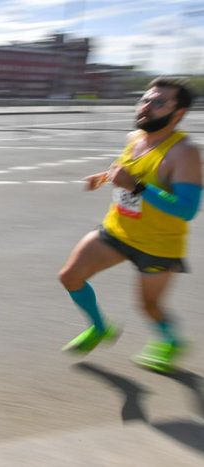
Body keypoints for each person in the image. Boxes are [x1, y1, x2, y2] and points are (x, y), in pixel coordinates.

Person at [58, 77, 201, 373]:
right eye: (145, 99)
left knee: (149, 306)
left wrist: (135, 186)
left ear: (179, 113)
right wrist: (105, 175)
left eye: (159, 102)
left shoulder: (185, 153)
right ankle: (100, 328)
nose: (147, 106)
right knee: (70, 276)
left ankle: (171, 341)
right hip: (117, 231)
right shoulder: (134, 138)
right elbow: (126, 170)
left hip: (158, 244)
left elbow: (187, 210)